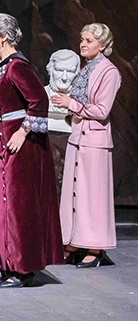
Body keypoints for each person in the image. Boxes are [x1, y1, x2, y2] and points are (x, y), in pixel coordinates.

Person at [0, 13, 64, 288]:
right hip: (2, 144)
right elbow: (0, 103)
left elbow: (39, 101)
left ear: (3, 37)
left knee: (17, 207)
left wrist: (23, 131)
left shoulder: (17, 67)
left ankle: (22, 268)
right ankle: (3, 263)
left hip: (22, 148)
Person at [50, 23, 121, 268]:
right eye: (82, 39)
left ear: (102, 45)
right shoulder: (86, 68)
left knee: (93, 197)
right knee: (73, 194)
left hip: (95, 142)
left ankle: (95, 248)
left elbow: (102, 111)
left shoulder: (109, 72)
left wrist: (71, 104)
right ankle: (72, 243)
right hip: (77, 138)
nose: (83, 44)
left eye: (89, 40)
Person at [44, 49, 79, 197]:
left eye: (70, 72)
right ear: (50, 70)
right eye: (59, 70)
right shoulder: (41, 96)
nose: (64, 78)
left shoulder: (80, 102)